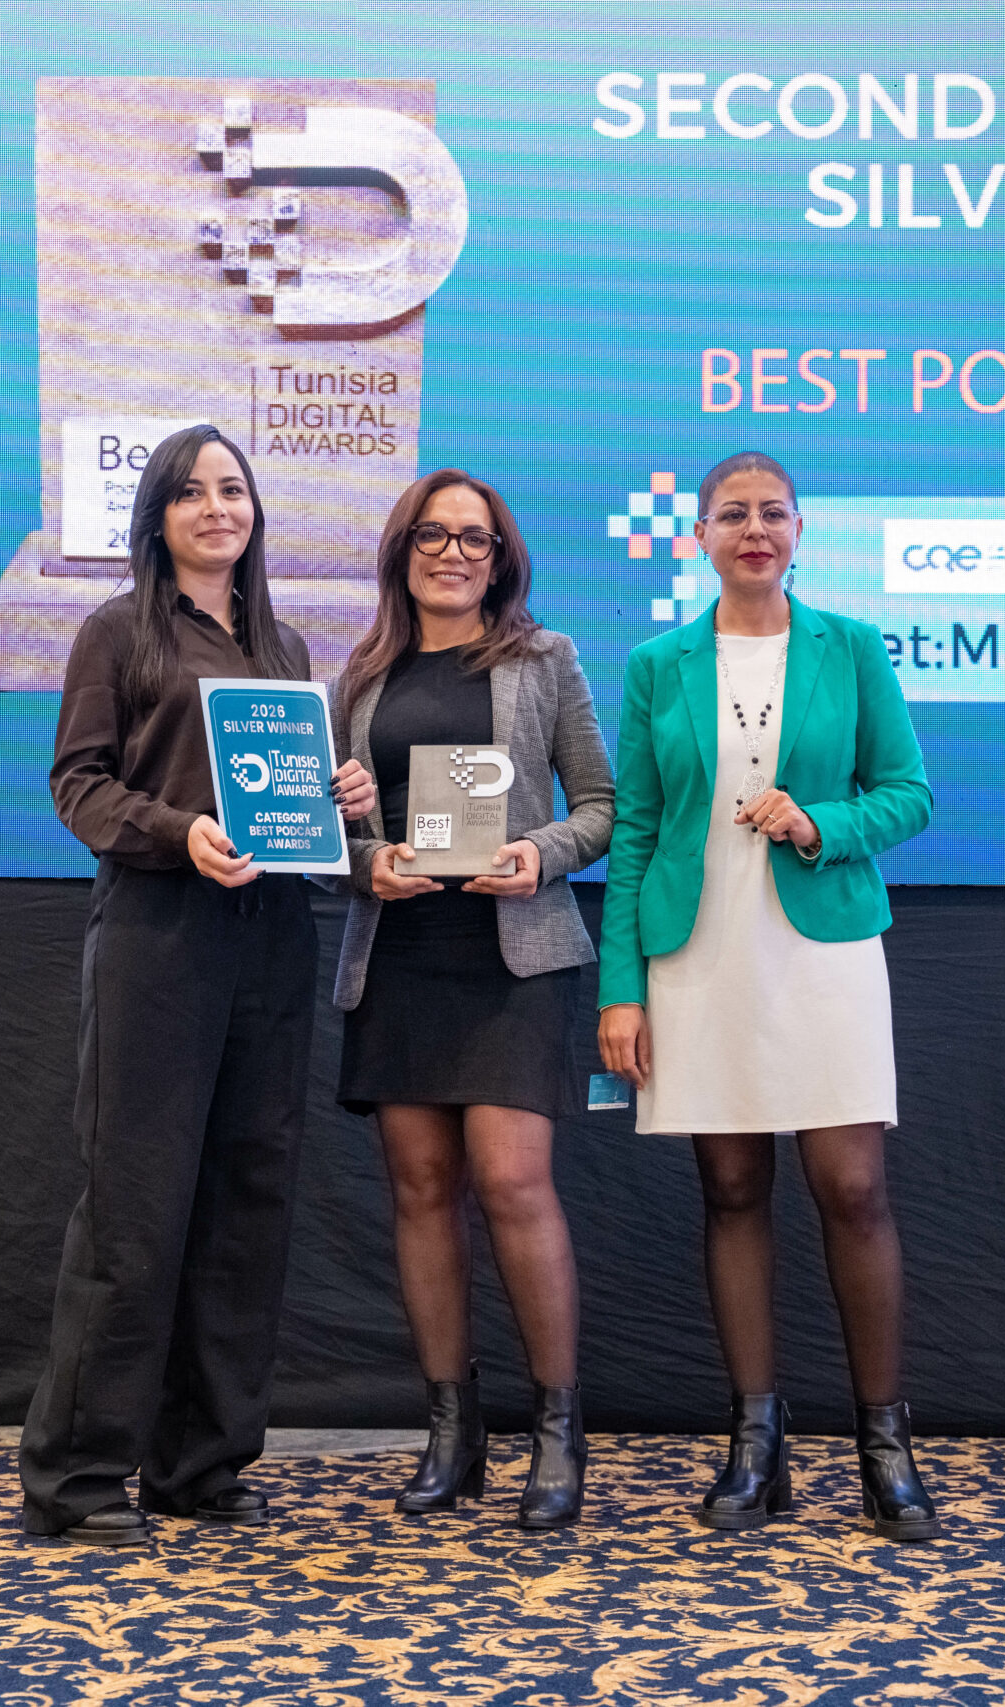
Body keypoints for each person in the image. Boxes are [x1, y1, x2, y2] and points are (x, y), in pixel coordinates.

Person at [20, 424, 377, 1548]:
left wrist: (343, 798)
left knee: (245, 1206)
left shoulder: (282, 645)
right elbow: (78, 786)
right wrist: (180, 833)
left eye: (233, 489)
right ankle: (76, 1478)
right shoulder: (117, 630)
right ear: (158, 517)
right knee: (134, 1210)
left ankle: (201, 1463)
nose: (218, 507)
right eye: (191, 492)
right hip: (159, 938)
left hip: (272, 939)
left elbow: (295, 808)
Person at [595, 450, 942, 1540]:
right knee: (733, 1189)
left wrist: (819, 823)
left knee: (853, 1188)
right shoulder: (657, 663)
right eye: (733, 514)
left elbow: (910, 794)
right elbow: (636, 830)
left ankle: (884, 1447)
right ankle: (757, 1444)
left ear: (800, 531)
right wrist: (620, 992)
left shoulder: (852, 646)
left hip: (824, 948)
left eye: (773, 513)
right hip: (697, 954)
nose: (754, 530)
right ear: (698, 534)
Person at [329, 469, 615, 1530]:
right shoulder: (360, 676)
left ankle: (557, 1430)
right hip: (400, 955)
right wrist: (367, 858)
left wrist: (541, 854)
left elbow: (602, 805)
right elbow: (330, 836)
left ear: (501, 560)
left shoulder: (545, 660)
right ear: (402, 548)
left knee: (511, 1181)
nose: (453, 553)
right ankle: (453, 1434)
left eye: (475, 539)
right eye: (434, 535)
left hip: (512, 955)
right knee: (419, 1189)